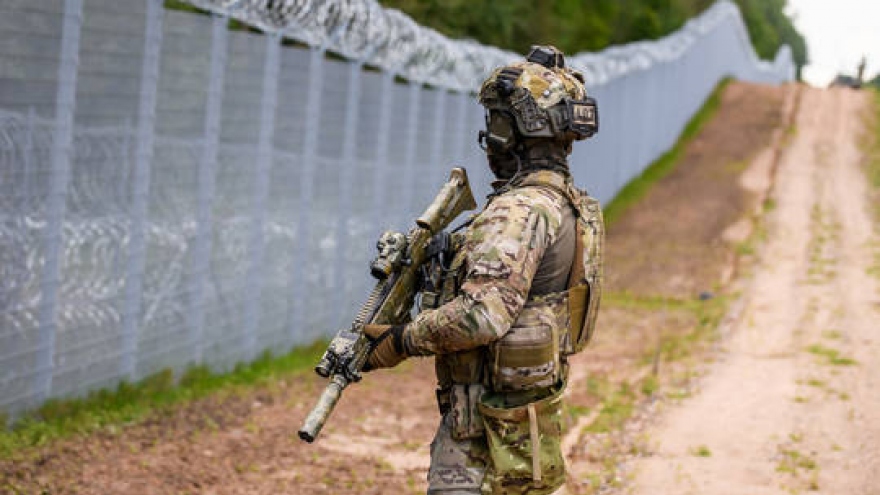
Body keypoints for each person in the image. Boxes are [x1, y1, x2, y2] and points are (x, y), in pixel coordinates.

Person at [363, 45, 604, 495]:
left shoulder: (518, 211)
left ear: (514, 130)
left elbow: (482, 315)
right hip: (519, 427)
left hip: (482, 440)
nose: (489, 136)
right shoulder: (567, 204)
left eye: (495, 121)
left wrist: (401, 340)